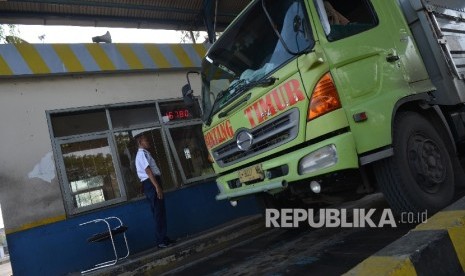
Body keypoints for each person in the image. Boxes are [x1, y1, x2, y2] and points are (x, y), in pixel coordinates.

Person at [135, 134, 174, 248]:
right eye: (146, 140)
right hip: (151, 183)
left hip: (152, 182)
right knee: (158, 212)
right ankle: (160, 241)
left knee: (160, 212)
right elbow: (148, 171)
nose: (148, 142)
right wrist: (157, 187)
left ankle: (163, 237)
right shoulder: (141, 154)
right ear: (140, 142)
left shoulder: (146, 153)